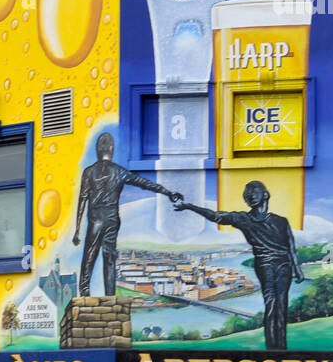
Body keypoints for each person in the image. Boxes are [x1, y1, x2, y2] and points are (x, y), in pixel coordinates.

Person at [174, 181, 304, 350]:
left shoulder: (281, 221)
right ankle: (273, 350)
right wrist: (189, 206)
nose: (249, 195)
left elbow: (291, 247)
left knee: (281, 305)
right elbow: (216, 215)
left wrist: (298, 269)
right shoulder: (243, 218)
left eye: (253, 191)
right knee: (272, 305)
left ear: (265, 195)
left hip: (283, 265)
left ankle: (282, 348)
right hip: (265, 265)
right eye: (246, 193)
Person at [72, 132, 182, 297]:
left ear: (98, 150)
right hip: (112, 219)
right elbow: (145, 183)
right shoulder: (119, 171)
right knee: (109, 256)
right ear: (112, 149)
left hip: (95, 218)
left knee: (89, 254)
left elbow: (82, 199)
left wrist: (77, 230)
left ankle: (84, 290)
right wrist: (167, 192)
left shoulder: (89, 172)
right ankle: (110, 295)